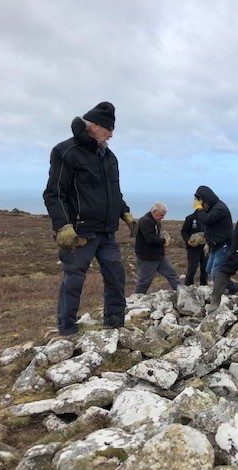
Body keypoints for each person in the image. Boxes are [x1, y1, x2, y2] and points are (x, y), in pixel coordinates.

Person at [43, 101, 138, 336]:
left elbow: (112, 192)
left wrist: (124, 212)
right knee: (73, 281)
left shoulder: (109, 156)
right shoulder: (65, 151)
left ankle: (115, 325)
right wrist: (63, 226)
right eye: (108, 129)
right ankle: (67, 331)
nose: (112, 135)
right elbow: (54, 193)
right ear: (94, 127)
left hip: (106, 232)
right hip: (80, 233)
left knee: (116, 277)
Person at [193, 185, 238, 294]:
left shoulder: (220, 208)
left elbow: (206, 219)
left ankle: (225, 292)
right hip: (215, 245)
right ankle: (230, 286)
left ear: (206, 200)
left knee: (215, 273)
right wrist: (207, 243)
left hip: (223, 245)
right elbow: (207, 225)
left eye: (202, 203)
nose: (202, 206)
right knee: (209, 269)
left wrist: (198, 209)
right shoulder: (212, 207)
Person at [134, 202, 180, 293]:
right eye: (161, 215)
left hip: (159, 256)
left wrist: (162, 241)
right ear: (154, 211)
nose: (162, 218)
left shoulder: (157, 222)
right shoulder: (145, 221)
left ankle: (181, 295)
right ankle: (136, 300)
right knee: (144, 282)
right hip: (148, 257)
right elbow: (150, 239)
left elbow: (156, 237)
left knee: (173, 275)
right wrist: (164, 241)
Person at [180, 206, 208, 286]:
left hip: (205, 247)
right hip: (193, 248)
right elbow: (184, 231)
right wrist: (188, 241)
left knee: (205, 268)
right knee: (192, 268)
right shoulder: (190, 218)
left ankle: (204, 285)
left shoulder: (208, 218)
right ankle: (188, 286)